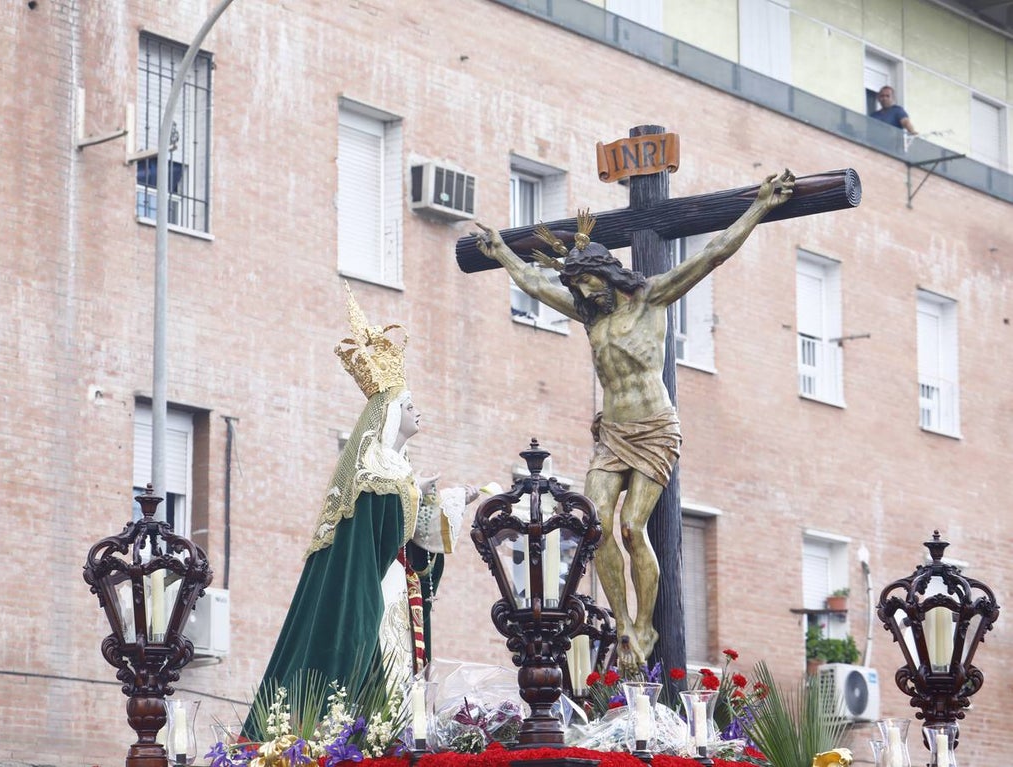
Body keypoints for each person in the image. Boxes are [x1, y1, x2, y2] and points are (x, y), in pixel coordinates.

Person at [474, 170, 795, 670]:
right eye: (577, 284)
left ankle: (645, 624)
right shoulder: (591, 317)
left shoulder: (651, 299)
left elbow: (712, 255)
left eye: (587, 281)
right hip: (613, 432)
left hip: (654, 428)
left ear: (607, 273)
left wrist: (758, 207)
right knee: (594, 526)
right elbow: (536, 285)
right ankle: (621, 622)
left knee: (630, 526)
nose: (582, 291)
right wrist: (501, 253)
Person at [243, 285, 475, 739]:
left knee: (401, 676)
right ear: (389, 415)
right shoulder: (376, 468)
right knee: (378, 674)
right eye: (408, 407)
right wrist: (424, 494)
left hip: (396, 584)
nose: (417, 413)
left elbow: (418, 538)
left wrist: (439, 498)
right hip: (377, 583)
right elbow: (387, 529)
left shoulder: (397, 469)